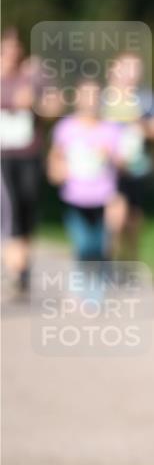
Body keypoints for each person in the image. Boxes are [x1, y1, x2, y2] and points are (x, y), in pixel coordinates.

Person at [101, 51, 154, 261]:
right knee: (116, 213)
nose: (130, 74)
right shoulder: (100, 99)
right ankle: (108, 258)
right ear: (112, 69)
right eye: (125, 68)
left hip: (137, 167)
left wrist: (143, 126)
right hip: (106, 169)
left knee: (133, 219)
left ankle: (128, 257)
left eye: (135, 69)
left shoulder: (147, 99)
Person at [47, 79, 125, 266]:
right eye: (85, 95)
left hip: (104, 197)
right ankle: (86, 289)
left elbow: (123, 165)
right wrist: (57, 171)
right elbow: (54, 160)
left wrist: (110, 155)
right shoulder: (65, 128)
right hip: (75, 197)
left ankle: (98, 285)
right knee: (83, 247)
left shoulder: (111, 128)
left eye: (94, 95)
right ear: (77, 99)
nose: (90, 101)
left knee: (102, 248)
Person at [0, 29, 48, 296]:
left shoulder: (33, 76)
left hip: (29, 153)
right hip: (3, 156)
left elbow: (54, 108)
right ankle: (14, 268)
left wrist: (35, 102)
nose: (11, 54)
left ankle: (23, 267)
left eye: (15, 49)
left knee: (27, 207)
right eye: (5, 49)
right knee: (10, 208)